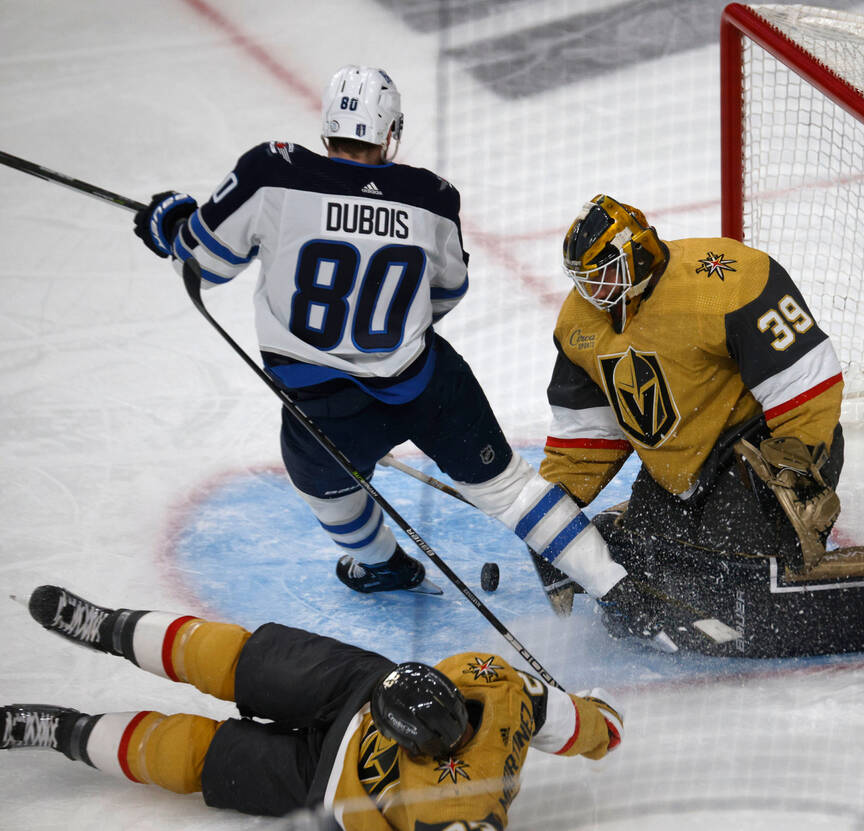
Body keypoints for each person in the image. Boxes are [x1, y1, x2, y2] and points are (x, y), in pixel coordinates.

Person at [129, 65, 647, 624]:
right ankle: (624, 594)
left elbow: (203, 264)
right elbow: (447, 291)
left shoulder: (269, 172)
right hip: (424, 383)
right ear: (389, 132)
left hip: (323, 406)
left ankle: (383, 566)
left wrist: (173, 223)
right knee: (509, 488)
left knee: (325, 488)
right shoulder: (431, 197)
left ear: (327, 127)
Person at [533, 194, 864, 658]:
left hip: (763, 452)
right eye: (585, 280)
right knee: (637, 569)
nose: (595, 292)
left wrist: (798, 472)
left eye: (605, 274)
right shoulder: (579, 324)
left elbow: (806, 381)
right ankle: (628, 528)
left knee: (747, 601)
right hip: (684, 473)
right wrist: (551, 513)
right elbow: (586, 432)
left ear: (638, 252)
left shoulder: (725, 279)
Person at [2, 585, 623, 830]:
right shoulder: (485, 679)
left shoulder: (457, 811)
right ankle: (110, 627)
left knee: (193, 757)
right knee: (235, 657)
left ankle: (66, 732)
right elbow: (567, 720)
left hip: (326, 788)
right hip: (357, 685)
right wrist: (604, 729)